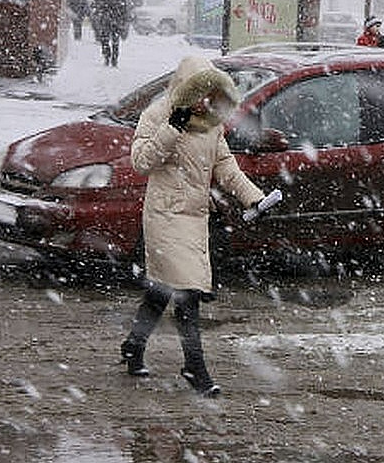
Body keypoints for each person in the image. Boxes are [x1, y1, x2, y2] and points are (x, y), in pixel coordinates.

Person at [120, 56, 268, 397]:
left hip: (195, 218)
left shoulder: (211, 123)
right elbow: (141, 162)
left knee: (161, 291)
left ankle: (133, 345)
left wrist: (254, 199)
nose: (204, 100)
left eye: (210, 92)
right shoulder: (157, 115)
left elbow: (227, 169)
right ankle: (195, 367)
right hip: (165, 216)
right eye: (199, 92)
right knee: (187, 293)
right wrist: (172, 128)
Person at [90, 0, 130, 67]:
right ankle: (112, 58)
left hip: (109, 21)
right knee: (113, 41)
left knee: (108, 40)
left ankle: (109, 57)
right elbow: (124, 9)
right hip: (113, 21)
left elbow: (96, 6)